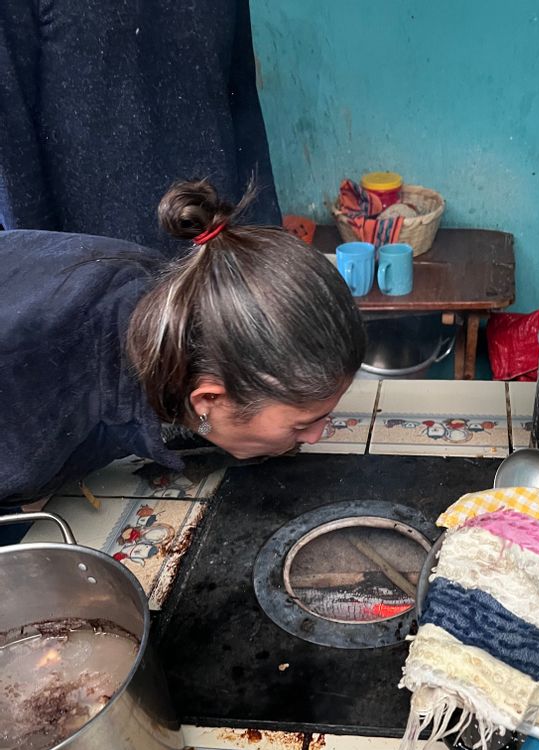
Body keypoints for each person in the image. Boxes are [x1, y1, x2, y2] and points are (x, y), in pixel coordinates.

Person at [0, 179, 366, 509]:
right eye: (302, 424)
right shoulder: (30, 401)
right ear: (208, 400)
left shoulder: (186, 306)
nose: (319, 436)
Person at [0, 0, 280, 248]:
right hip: (99, 274)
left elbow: (241, 101)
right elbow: (12, 152)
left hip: (216, 250)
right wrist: (56, 290)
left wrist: (267, 247)